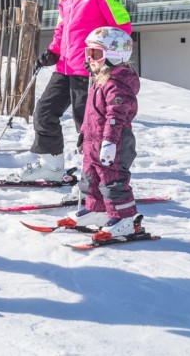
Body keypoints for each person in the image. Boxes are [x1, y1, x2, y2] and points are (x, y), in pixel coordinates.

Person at [9, 0, 131, 182]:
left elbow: (123, 29)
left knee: (87, 126)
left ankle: (97, 178)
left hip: (89, 71)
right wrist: (53, 51)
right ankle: (52, 166)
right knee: (44, 112)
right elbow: (62, 28)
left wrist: (104, 59)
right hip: (65, 67)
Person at [59, 26, 140, 237]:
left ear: (114, 55)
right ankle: (97, 211)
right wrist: (84, 136)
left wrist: (110, 142)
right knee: (90, 180)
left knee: (112, 181)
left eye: (95, 53)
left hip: (115, 143)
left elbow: (116, 117)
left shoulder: (117, 84)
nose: (90, 58)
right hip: (94, 143)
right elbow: (91, 115)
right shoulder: (100, 80)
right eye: (88, 53)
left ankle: (123, 219)